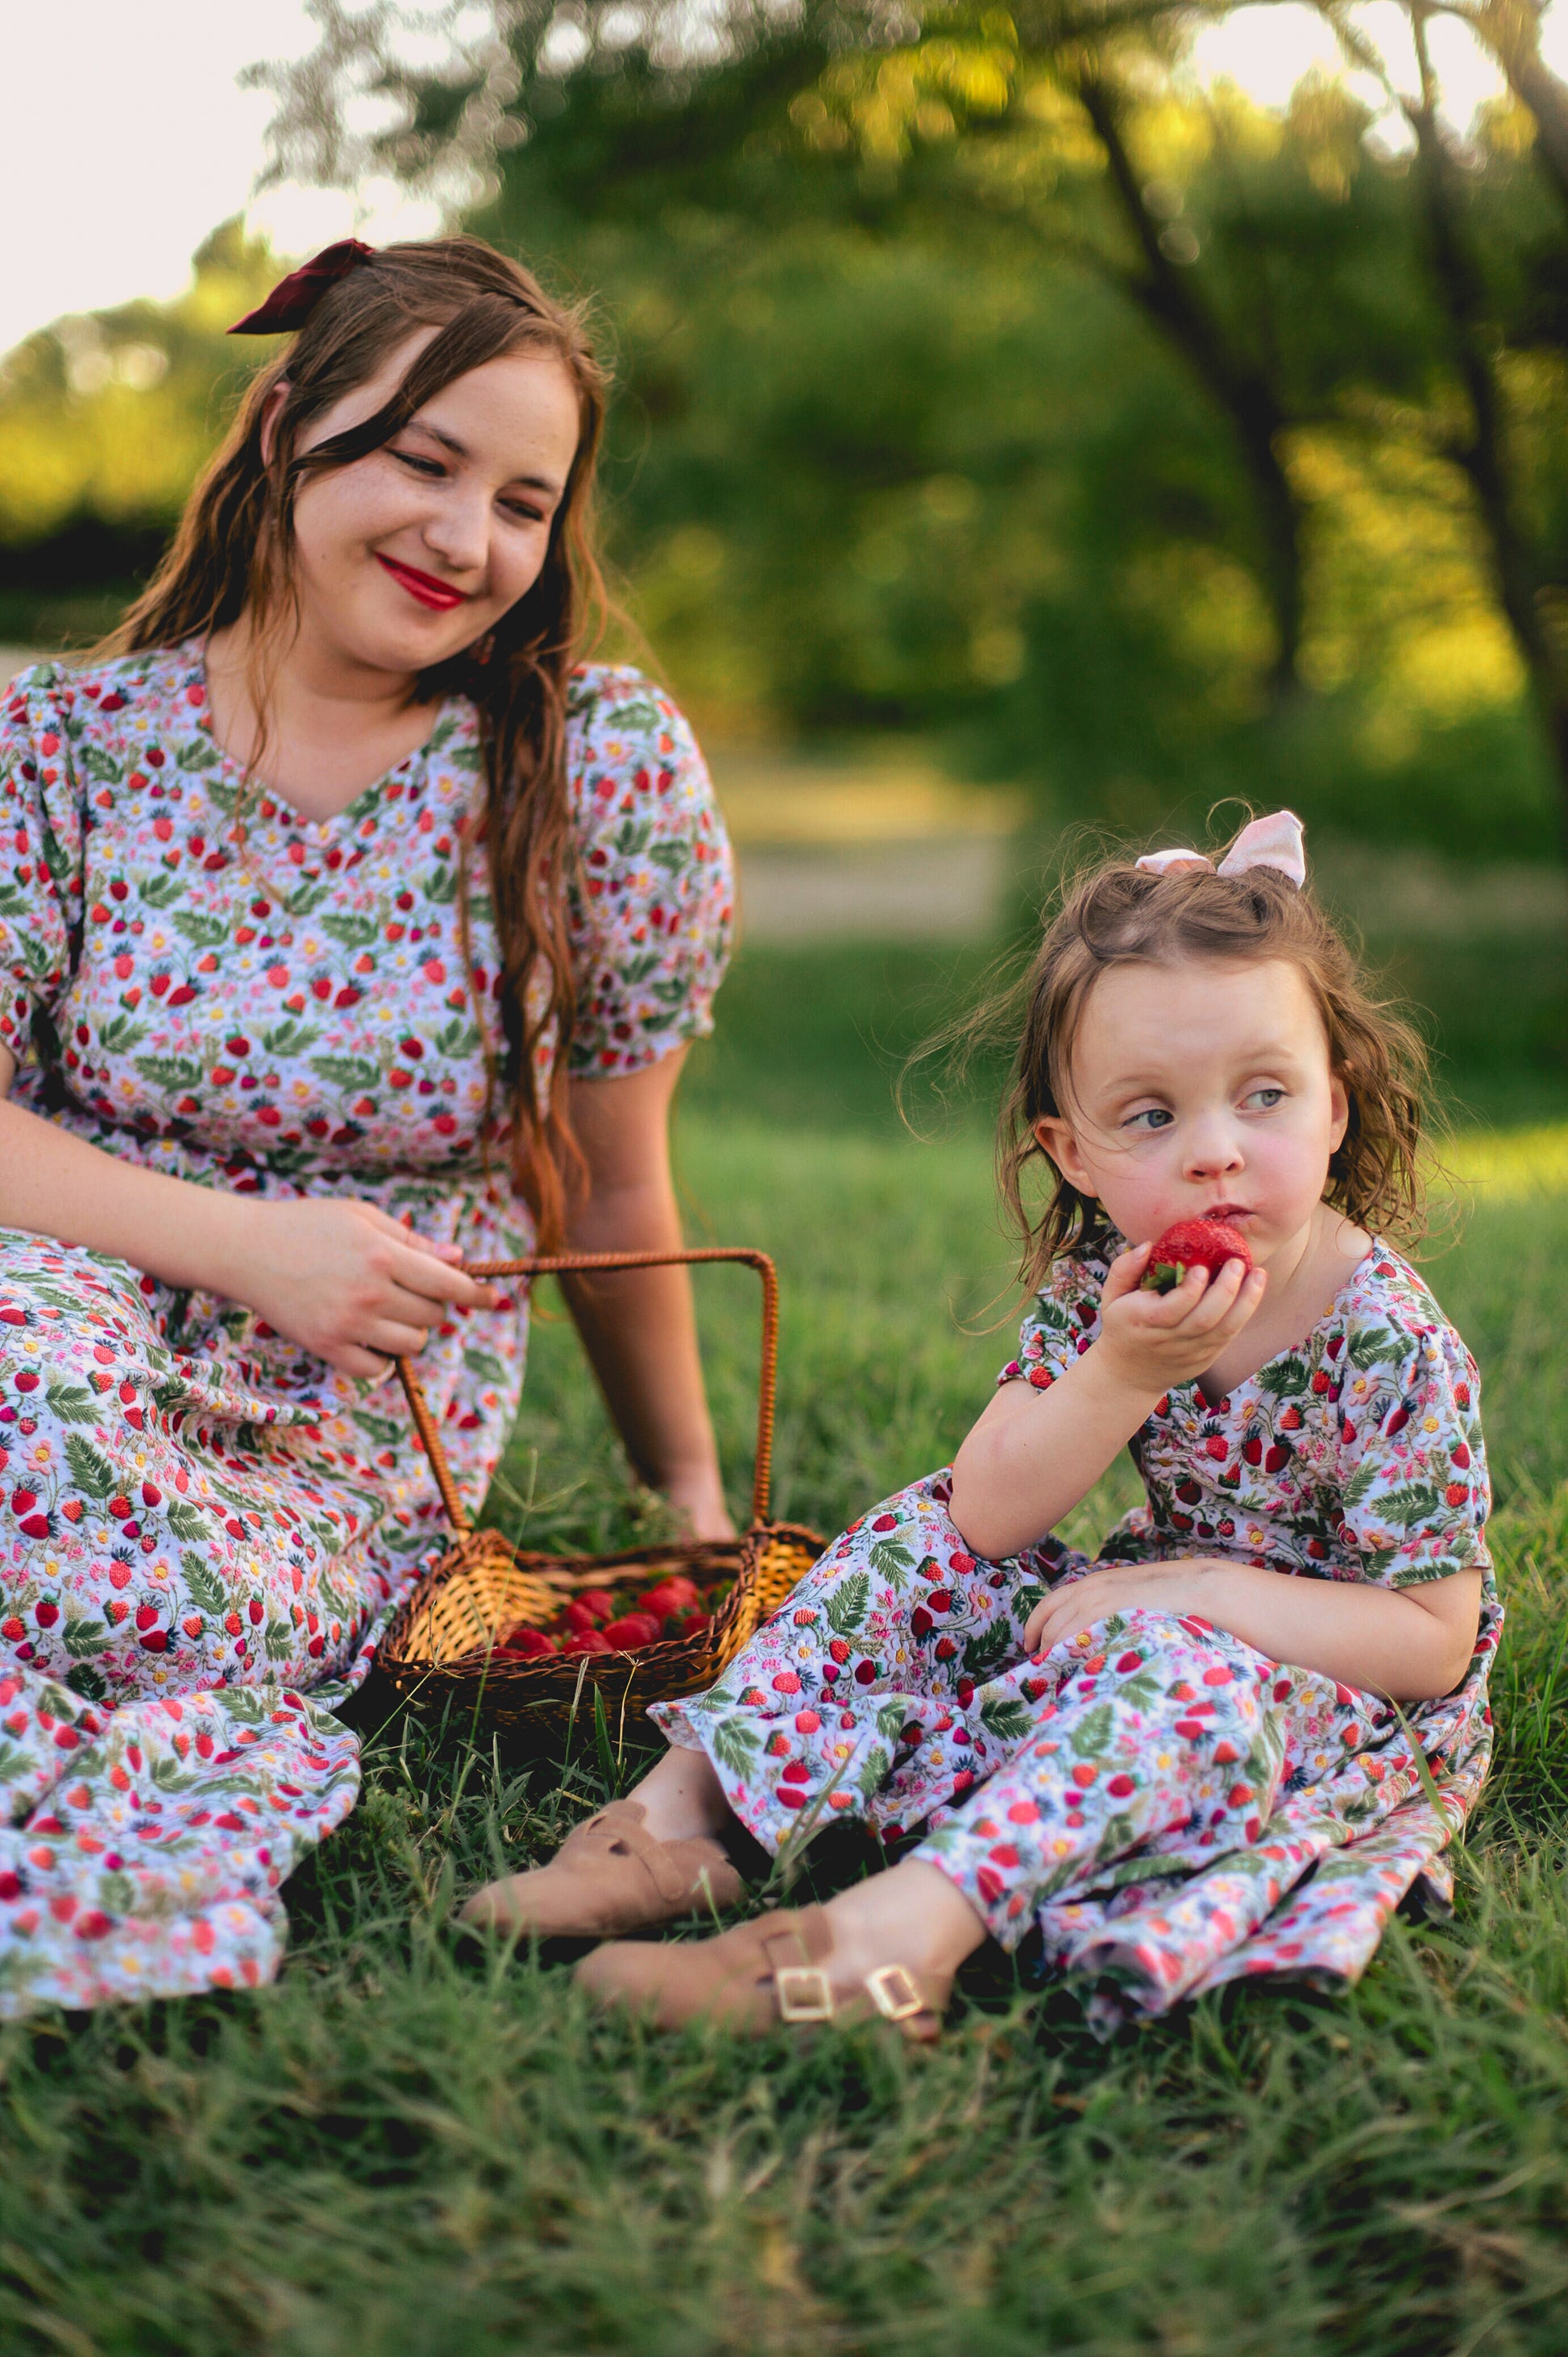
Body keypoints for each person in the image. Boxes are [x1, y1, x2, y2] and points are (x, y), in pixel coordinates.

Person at [0, 236, 735, 2013]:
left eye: (522, 498)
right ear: (284, 432)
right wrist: (249, 1240)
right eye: (422, 458)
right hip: (69, 1287)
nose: (467, 535)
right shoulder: (65, 746)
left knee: (106, 1550)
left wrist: (694, 1498)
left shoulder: (592, 768)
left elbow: (616, 1175)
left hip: (357, 1396)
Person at [467, 811, 1500, 2040]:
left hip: (1335, 1677)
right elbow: (991, 1511)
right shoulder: (1112, 1297)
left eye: (1262, 1095)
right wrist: (1117, 1370)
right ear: (1072, 1153)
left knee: (1182, 1679)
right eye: (1152, 1116)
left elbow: (1431, 1639)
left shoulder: (1383, 1337)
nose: (1216, 1152)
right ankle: (690, 1815)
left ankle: (891, 1944)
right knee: (922, 1528)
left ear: (1335, 1102)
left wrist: (1192, 1594)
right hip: (1156, 1606)